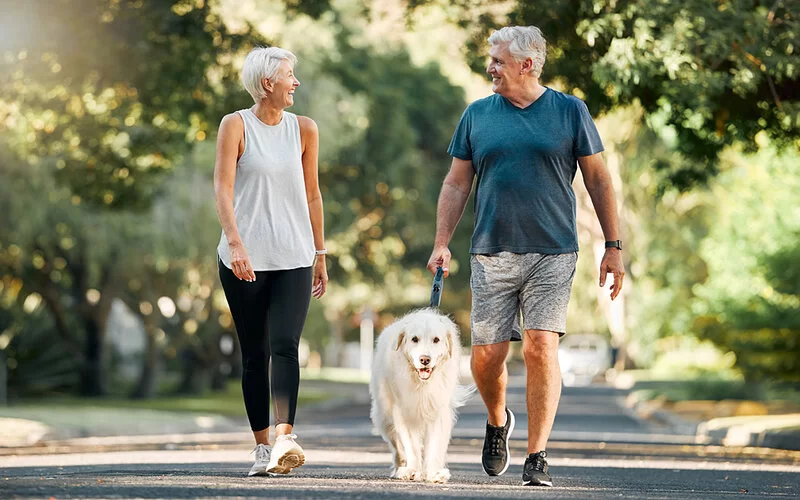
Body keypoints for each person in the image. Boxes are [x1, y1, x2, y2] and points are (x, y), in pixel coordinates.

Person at [426, 26, 624, 487]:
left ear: (526, 65)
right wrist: (441, 242)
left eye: (497, 60)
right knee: (486, 358)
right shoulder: (477, 115)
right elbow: (456, 184)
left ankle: (537, 455)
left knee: (541, 345)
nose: (489, 67)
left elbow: (598, 179)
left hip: (553, 250)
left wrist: (613, 246)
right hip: (490, 249)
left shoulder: (570, 111)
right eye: (490, 59)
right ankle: (498, 422)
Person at [214, 46, 328, 477]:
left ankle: (284, 439)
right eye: (289, 75)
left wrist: (319, 253)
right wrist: (236, 244)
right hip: (244, 258)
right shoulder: (235, 125)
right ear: (267, 83)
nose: (295, 82)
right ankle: (262, 446)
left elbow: (313, 194)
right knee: (254, 352)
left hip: (294, 255)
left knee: (285, 346)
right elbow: (223, 190)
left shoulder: (304, 129)